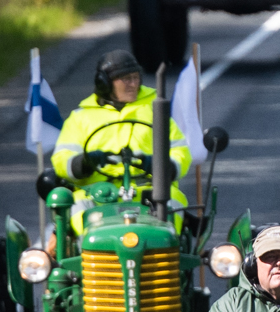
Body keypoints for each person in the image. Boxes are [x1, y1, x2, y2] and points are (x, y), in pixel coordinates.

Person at [51, 49, 191, 221]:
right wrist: (85, 162)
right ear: (105, 83)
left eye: (135, 77)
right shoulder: (80, 117)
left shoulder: (156, 109)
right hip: (96, 194)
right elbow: (61, 159)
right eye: (126, 79)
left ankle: (170, 248)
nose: (133, 84)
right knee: (76, 210)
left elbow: (180, 151)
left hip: (151, 190)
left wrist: (157, 165)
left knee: (173, 207)